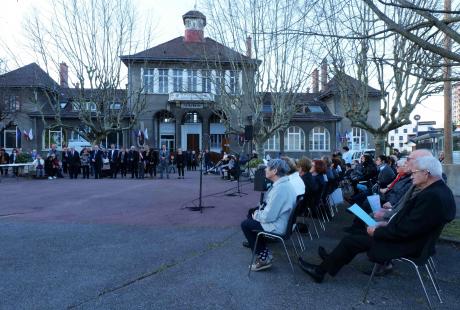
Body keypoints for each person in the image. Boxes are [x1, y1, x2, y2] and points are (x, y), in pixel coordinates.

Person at [298, 155, 456, 283]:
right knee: (356, 237)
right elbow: (412, 223)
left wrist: (379, 231)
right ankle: (331, 260)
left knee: (352, 240)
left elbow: (408, 229)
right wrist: (385, 223)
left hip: (408, 245)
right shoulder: (439, 191)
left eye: (414, 173)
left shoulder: (431, 196)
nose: (412, 176)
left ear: (426, 173)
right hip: (413, 241)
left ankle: (320, 271)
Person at [241, 159, 297, 271]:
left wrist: (256, 214)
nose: (265, 169)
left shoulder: (280, 189)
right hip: (282, 222)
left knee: (246, 224)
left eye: (268, 167)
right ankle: (263, 252)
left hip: (277, 226)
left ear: (275, 171)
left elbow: (268, 217)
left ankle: (263, 258)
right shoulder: (284, 184)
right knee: (251, 220)